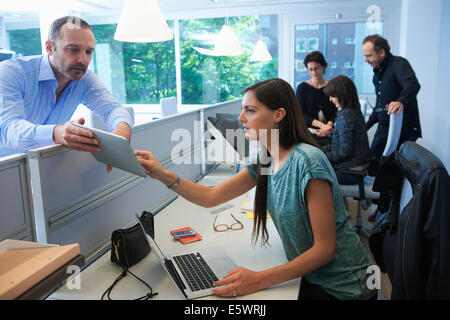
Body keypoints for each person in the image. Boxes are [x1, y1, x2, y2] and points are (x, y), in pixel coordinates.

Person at [135, 78, 377, 300]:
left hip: (346, 287)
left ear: (278, 115)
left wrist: (258, 279)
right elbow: (211, 197)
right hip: (312, 277)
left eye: (250, 110)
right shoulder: (266, 160)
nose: (241, 118)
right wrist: (163, 175)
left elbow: (324, 250)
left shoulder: (308, 162)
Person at [0, 16, 133, 167]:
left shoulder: (84, 78)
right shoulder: (10, 72)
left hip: (39, 168)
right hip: (5, 170)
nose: (83, 59)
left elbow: (112, 109)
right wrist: (56, 133)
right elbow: (7, 130)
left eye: (88, 51)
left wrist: (122, 133)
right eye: (73, 50)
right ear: (50, 47)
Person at [362, 34, 421, 175]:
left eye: (369, 56)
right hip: (384, 128)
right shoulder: (377, 73)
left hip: (403, 130)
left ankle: (387, 198)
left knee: (393, 173)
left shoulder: (399, 64)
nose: (365, 60)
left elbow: (413, 84)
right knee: (373, 164)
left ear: (381, 52)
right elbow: (379, 105)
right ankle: (377, 196)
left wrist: (400, 101)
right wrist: (364, 128)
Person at [322, 75, 371, 185]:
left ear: (342, 95)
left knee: (310, 175)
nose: (330, 99)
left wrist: (320, 156)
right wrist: (320, 151)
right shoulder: (352, 112)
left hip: (351, 172)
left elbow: (343, 152)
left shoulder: (346, 115)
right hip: (356, 167)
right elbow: (339, 146)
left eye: (333, 96)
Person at [295, 51, 337, 146]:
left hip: (329, 131)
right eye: (310, 69)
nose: (314, 73)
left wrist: (329, 126)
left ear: (323, 67)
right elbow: (301, 114)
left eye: (317, 68)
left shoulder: (331, 87)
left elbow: (335, 111)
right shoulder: (302, 88)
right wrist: (323, 126)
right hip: (309, 132)